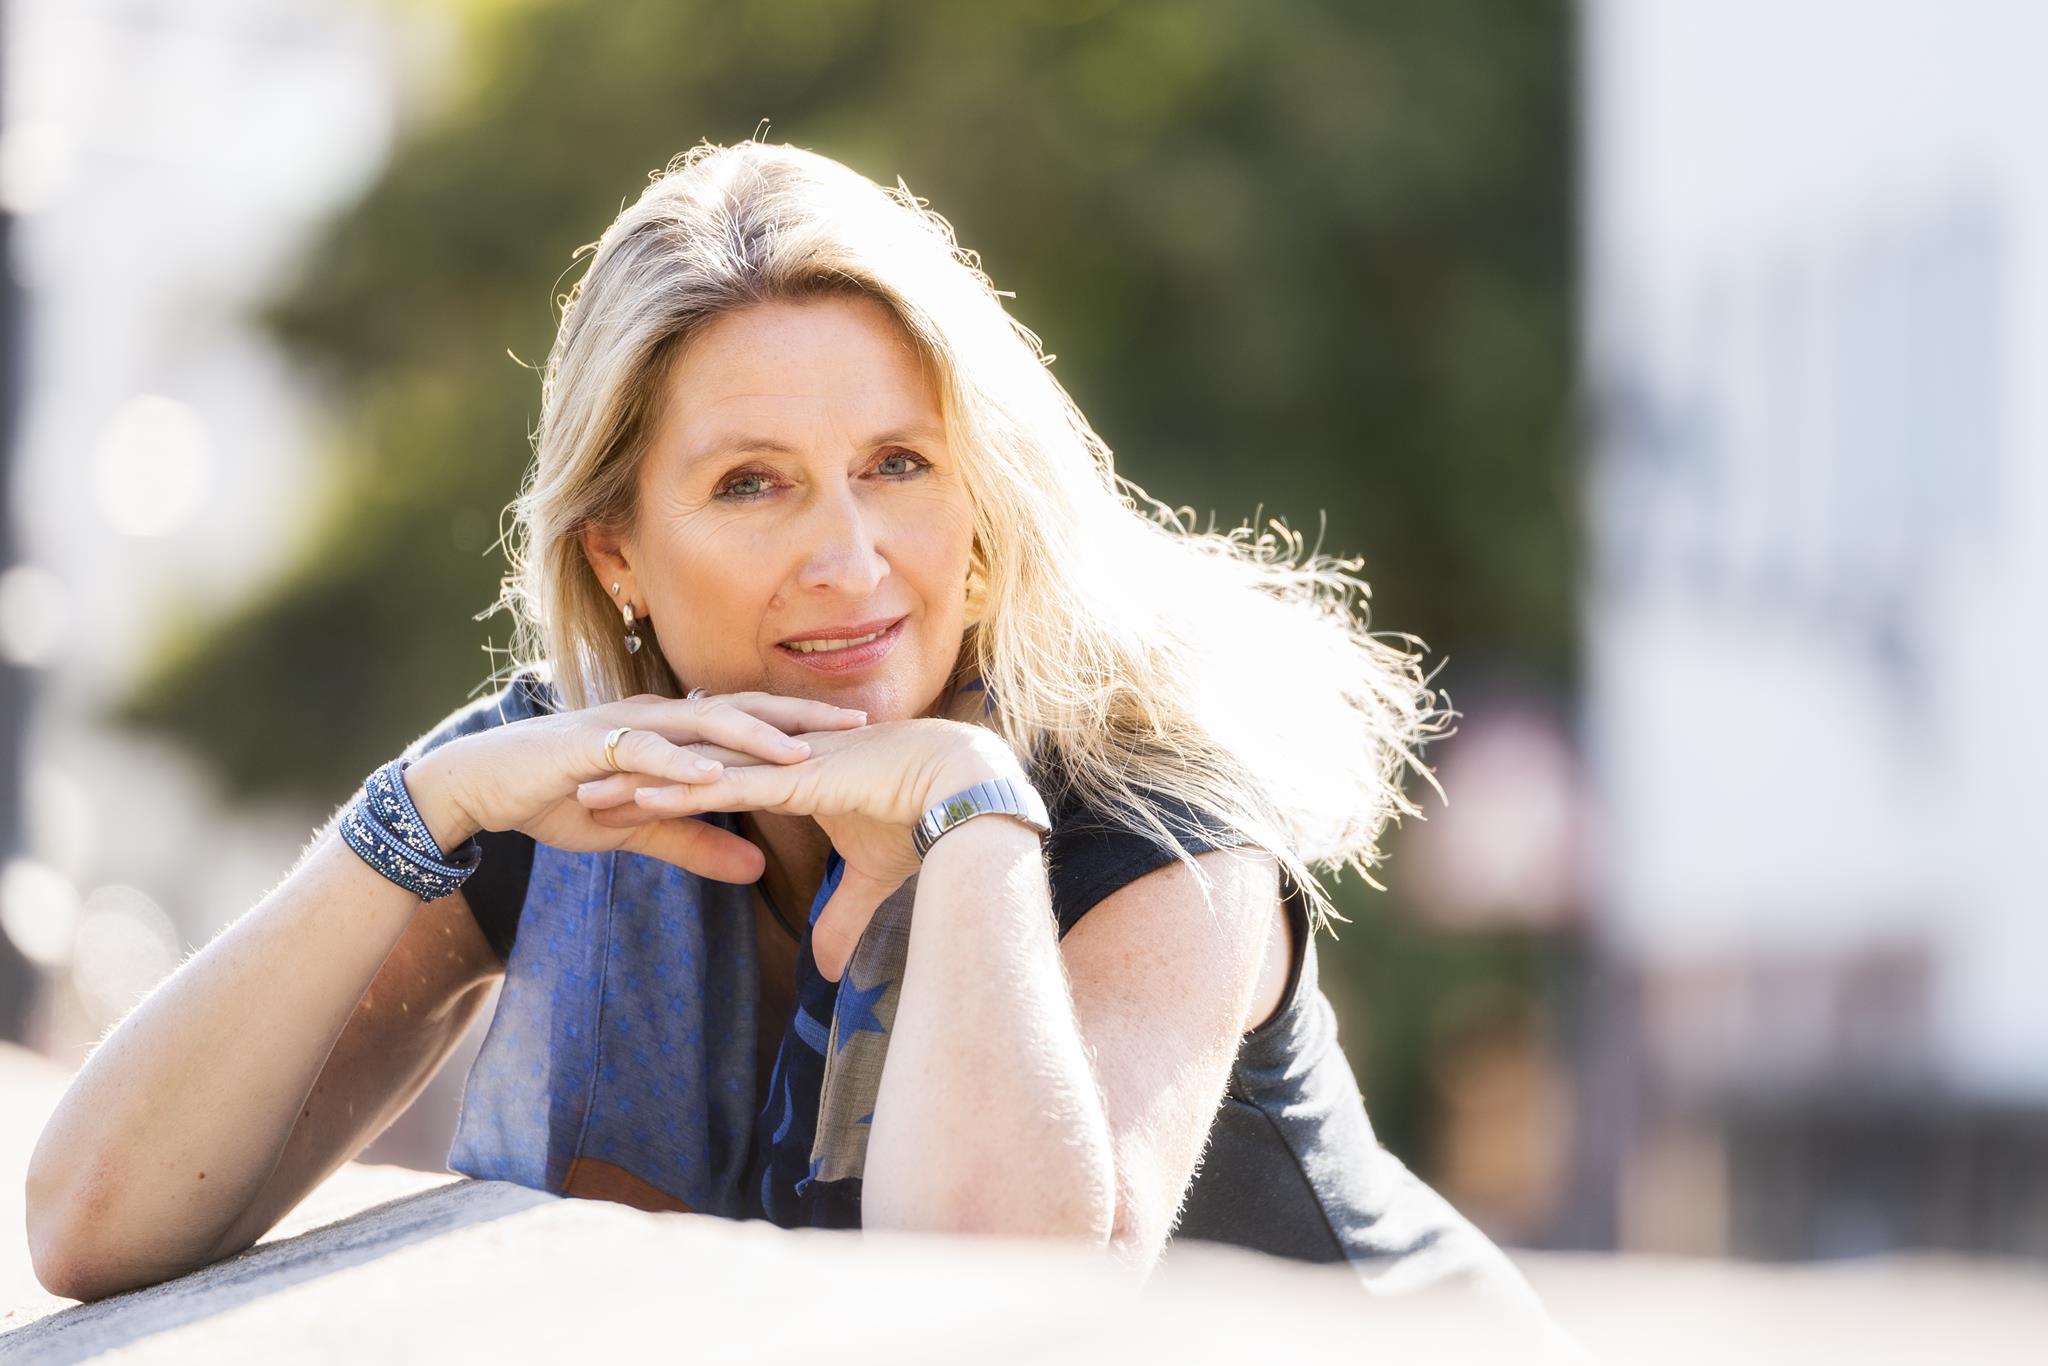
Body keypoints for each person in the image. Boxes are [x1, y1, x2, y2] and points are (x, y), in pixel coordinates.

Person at [26, 139, 1541, 1309]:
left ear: (980, 500)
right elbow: (96, 1224)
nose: (850, 561)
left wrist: (970, 815)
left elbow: (1000, 1305)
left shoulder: (1156, 823)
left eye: (897, 465)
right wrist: (415, 814)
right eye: (752, 483)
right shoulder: (565, 781)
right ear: (616, 553)